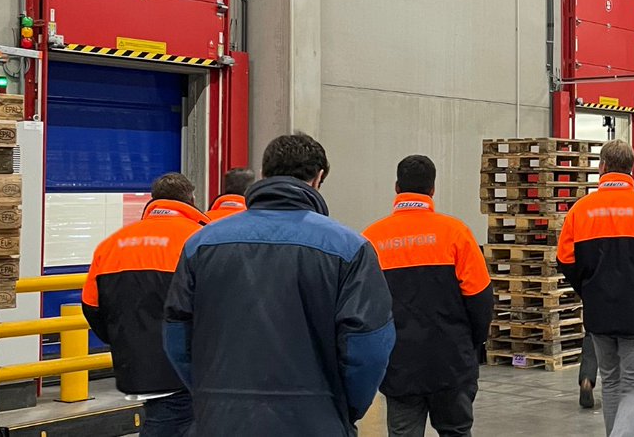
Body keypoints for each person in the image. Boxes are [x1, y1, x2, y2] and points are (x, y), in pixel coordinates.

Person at [163, 133, 395, 436]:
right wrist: (343, 408)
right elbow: (369, 346)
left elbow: (177, 332)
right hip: (316, 422)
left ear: (263, 175)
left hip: (219, 420)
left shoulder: (201, 244)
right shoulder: (349, 248)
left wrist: (212, 395)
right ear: (318, 178)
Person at [557, 140, 634, 437]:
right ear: (631, 169)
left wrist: (588, 289)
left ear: (602, 167)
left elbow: (565, 260)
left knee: (611, 382)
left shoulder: (580, 210)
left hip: (599, 312)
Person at [363, 155, 493, 437]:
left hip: (398, 365)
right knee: (456, 431)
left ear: (397, 188)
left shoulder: (371, 239)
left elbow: (364, 310)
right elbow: (481, 300)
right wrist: (470, 345)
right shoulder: (456, 234)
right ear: (432, 190)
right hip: (450, 363)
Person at [82, 173, 210, 437]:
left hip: (136, 362)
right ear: (191, 200)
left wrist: (125, 339)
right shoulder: (201, 240)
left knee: (166, 417)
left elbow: (91, 306)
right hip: (188, 363)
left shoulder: (111, 244)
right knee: (174, 422)